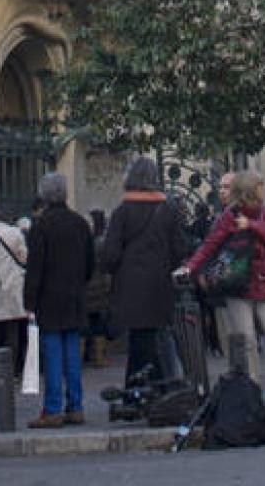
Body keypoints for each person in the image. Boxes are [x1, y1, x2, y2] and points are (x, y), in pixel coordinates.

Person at [185, 170, 265, 411]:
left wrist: (253, 226)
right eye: (260, 185)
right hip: (239, 284)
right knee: (247, 341)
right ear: (249, 190)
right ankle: (253, 391)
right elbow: (210, 245)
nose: (263, 189)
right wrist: (191, 267)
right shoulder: (228, 217)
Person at [102, 157, 191, 385]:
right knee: (156, 338)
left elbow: (110, 255)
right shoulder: (168, 210)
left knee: (139, 341)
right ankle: (160, 387)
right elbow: (180, 248)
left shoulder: (122, 212)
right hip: (160, 286)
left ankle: (138, 388)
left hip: (130, 288)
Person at [24, 172, 95, 428]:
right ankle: (75, 406)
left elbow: (35, 268)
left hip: (49, 298)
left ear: (44, 195)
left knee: (53, 354)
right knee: (72, 353)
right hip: (74, 296)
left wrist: (29, 301)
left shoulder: (41, 226)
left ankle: (53, 408)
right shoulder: (80, 223)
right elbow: (90, 263)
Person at [0, 203, 29, 389]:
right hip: (13, 287)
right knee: (12, 331)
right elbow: (24, 258)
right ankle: (14, 370)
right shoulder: (16, 233)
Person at [83, 209, 113, 368]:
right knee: (99, 323)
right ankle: (99, 357)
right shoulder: (103, 243)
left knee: (84, 323)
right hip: (100, 287)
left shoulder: (83, 242)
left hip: (85, 287)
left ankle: (81, 356)